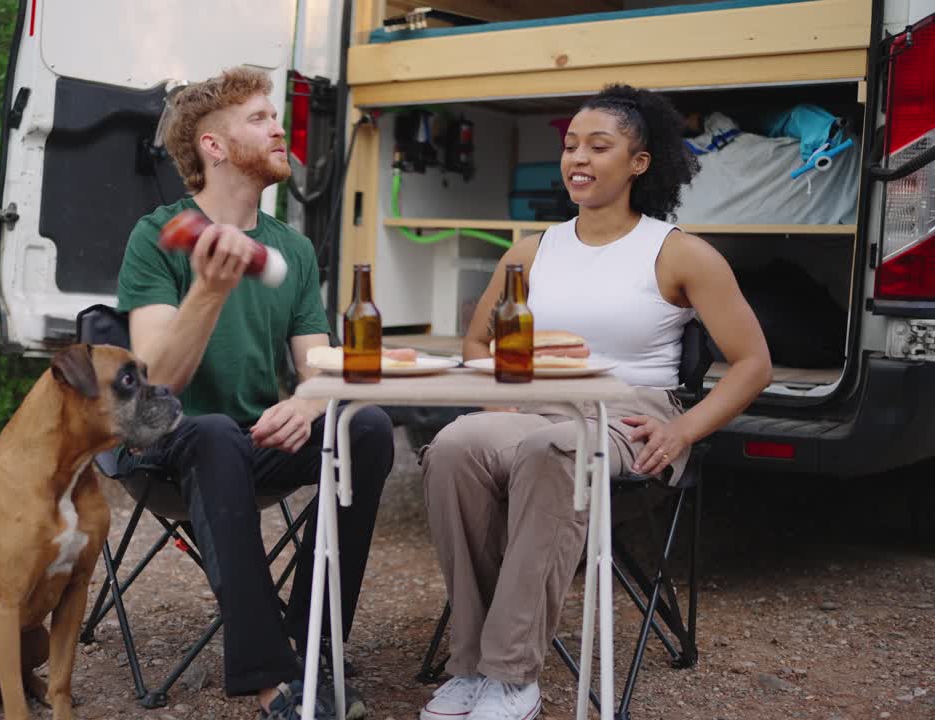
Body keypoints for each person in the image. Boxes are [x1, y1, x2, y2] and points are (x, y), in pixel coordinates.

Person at [417, 84, 774, 720]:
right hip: (537, 406)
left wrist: (686, 430)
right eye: (571, 145)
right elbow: (478, 342)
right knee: (454, 446)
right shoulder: (533, 251)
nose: (578, 158)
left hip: (629, 416)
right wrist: (498, 407)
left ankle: (511, 676)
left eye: (598, 147)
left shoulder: (678, 252)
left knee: (553, 450)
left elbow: (754, 364)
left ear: (639, 163)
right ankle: (471, 663)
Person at [116, 66, 394, 720]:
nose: (279, 130)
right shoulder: (158, 235)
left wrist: (307, 402)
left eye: (276, 117)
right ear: (213, 146)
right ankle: (276, 683)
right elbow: (155, 389)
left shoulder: (291, 250)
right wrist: (209, 290)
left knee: (367, 428)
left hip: (254, 440)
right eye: (261, 118)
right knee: (212, 433)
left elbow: (318, 367)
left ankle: (311, 638)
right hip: (166, 442)